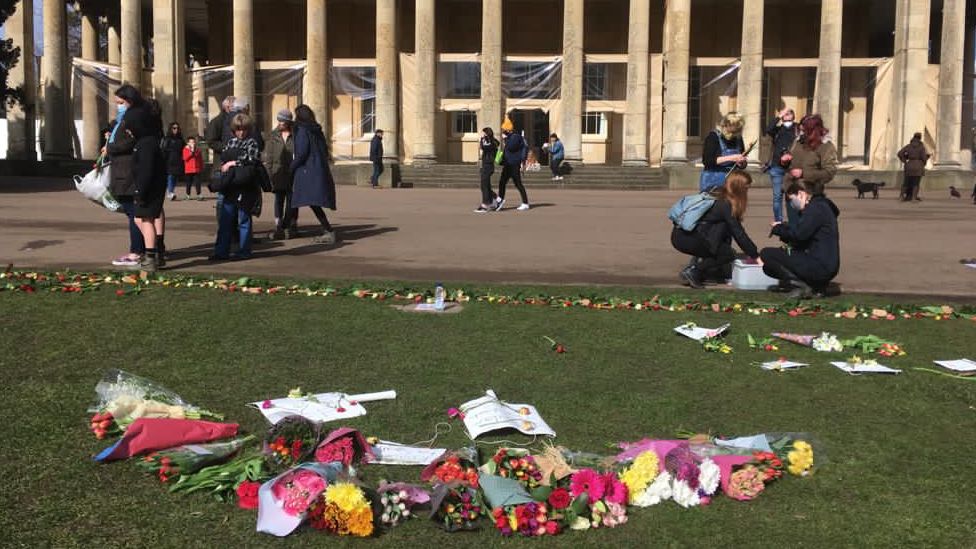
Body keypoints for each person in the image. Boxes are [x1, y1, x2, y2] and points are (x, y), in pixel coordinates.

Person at [671, 170, 760, 289]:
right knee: (728, 254)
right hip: (689, 239)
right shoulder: (726, 205)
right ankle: (694, 271)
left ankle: (699, 271)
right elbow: (739, 233)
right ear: (740, 189)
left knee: (720, 234)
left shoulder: (714, 192)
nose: (747, 193)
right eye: (746, 189)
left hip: (680, 234)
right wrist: (755, 255)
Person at [760, 179, 841, 299]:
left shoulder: (815, 209)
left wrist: (778, 229)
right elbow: (803, 236)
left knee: (766, 254)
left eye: (792, 199)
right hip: (825, 265)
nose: (792, 204)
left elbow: (800, 235)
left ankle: (800, 286)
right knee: (768, 267)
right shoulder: (821, 207)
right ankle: (816, 286)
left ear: (801, 194)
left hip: (820, 265)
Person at [103, 87, 145, 268]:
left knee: (135, 214)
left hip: (128, 173)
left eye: (121, 102)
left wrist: (110, 148)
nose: (117, 106)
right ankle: (145, 248)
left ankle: (138, 251)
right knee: (133, 213)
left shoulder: (131, 120)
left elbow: (129, 142)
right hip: (122, 172)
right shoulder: (122, 121)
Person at [211, 113, 262, 260]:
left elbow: (252, 159)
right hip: (230, 186)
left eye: (244, 129)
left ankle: (244, 251)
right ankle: (221, 251)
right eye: (238, 129)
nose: (241, 132)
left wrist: (233, 163)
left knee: (244, 220)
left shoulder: (252, 143)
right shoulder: (231, 142)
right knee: (226, 220)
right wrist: (225, 165)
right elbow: (223, 159)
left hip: (245, 186)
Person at [289, 104, 338, 244]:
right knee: (299, 200)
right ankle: (292, 226)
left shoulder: (302, 130)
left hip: (306, 169)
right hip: (318, 168)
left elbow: (302, 152)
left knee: (307, 200)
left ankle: (328, 230)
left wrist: (291, 167)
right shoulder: (316, 129)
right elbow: (324, 149)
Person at [783, 114, 837, 225]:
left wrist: (804, 173)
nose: (801, 133)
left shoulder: (825, 146)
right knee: (794, 229)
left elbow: (829, 172)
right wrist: (784, 161)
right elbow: (790, 163)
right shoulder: (798, 142)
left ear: (815, 130)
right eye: (800, 130)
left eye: (805, 131)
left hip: (810, 195)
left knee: (806, 232)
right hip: (791, 192)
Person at [264, 109, 296, 239]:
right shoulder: (273, 135)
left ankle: (289, 225)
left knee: (292, 201)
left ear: (288, 121)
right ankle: (278, 224)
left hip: (292, 173)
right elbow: (269, 157)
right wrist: (269, 175)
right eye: (279, 120)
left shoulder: (296, 134)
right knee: (278, 200)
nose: (280, 123)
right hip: (277, 173)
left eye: (283, 121)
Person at [700, 112, 747, 192]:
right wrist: (731, 158)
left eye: (737, 130)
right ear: (726, 125)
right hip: (713, 178)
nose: (734, 134)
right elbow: (707, 161)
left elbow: (743, 163)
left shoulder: (738, 138)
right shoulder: (713, 137)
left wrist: (742, 163)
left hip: (732, 179)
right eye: (733, 130)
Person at [765, 108, 798, 222]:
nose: (786, 114)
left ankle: (793, 220)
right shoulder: (778, 129)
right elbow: (768, 129)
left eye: (789, 113)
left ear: (793, 116)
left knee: (792, 195)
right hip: (777, 166)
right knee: (777, 196)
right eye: (785, 113)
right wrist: (779, 116)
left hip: (792, 167)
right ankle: (778, 220)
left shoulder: (797, 129)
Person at [496, 128, 530, 211]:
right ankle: (500, 200)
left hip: (513, 164)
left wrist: (506, 139)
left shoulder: (515, 137)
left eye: (505, 131)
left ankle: (525, 203)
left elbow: (511, 147)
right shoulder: (511, 138)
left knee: (518, 184)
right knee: (502, 182)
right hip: (508, 163)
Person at [897, 132, 930, 202]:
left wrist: (904, 160)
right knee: (916, 183)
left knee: (906, 182)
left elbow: (899, 153)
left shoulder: (908, 146)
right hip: (918, 165)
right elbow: (923, 157)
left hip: (909, 165)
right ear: (920, 138)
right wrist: (925, 161)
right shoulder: (921, 147)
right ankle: (913, 198)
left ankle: (901, 196)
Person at [475, 127, 499, 213]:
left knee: (484, 185)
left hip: (489, 165)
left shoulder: (492, 142)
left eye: (484, 133)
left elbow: (486, 147)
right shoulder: (487, 141)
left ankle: (485, 205)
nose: (482, 135)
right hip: (485, 165)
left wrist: (483, 141)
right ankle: (496, 199)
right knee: (485, 185)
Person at [162, 122, 185, 200]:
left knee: (175, 177)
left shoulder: (180, 139)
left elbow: (184, 149)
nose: (176, 130)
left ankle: (171, 191)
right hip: (169, 161)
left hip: (178, 161)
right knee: (170, 176)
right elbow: (164, 150)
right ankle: (170, 192)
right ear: (170, 129)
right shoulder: (167, 139)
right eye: (174, 128)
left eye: (177, 128)